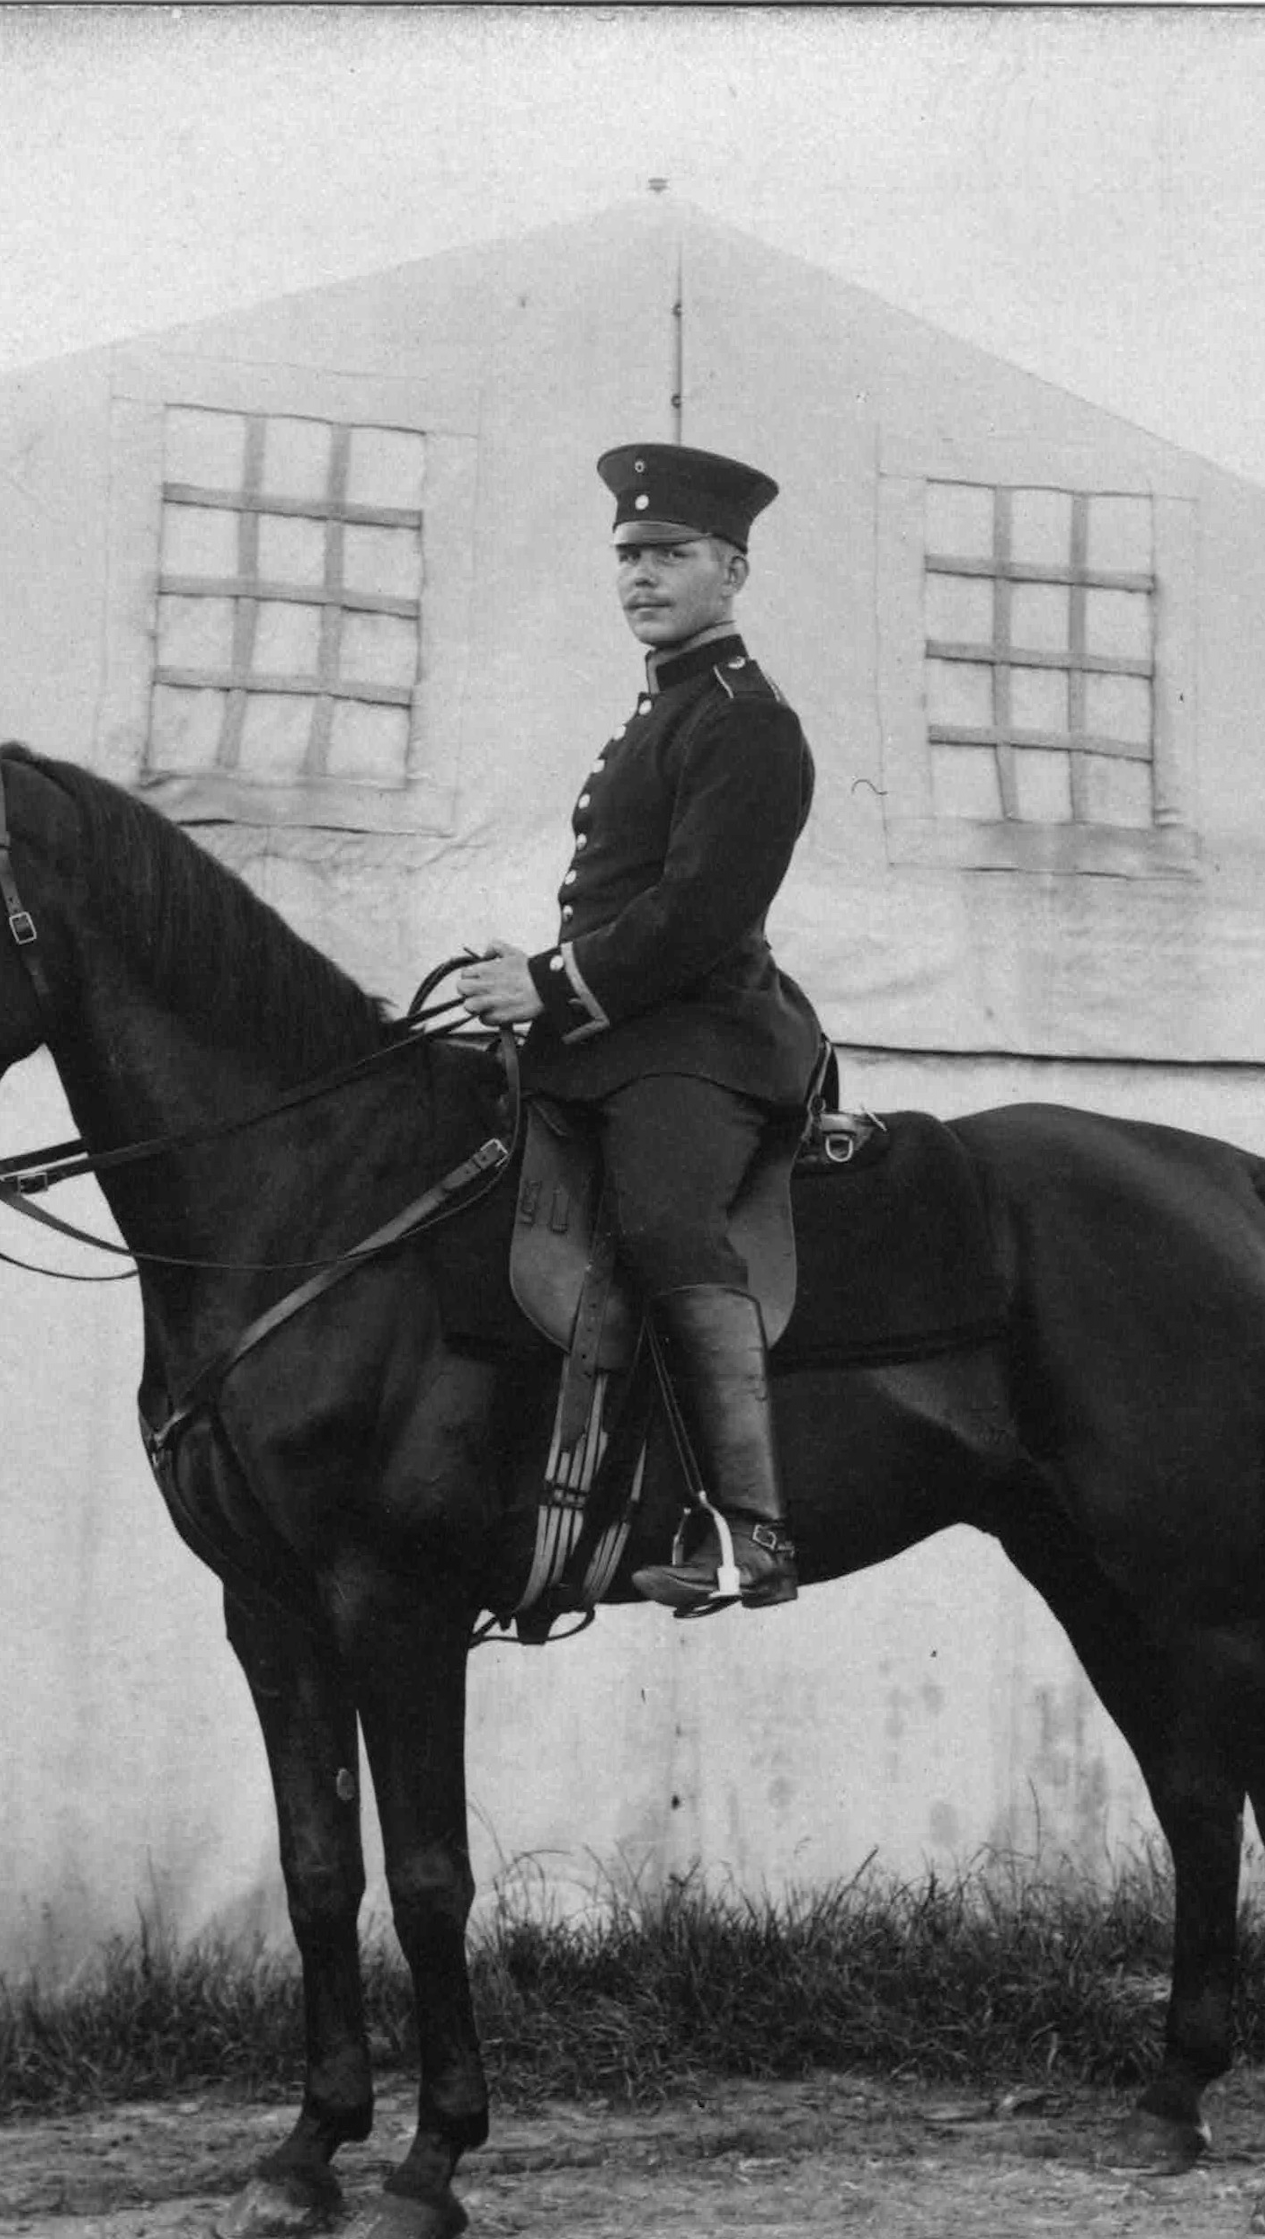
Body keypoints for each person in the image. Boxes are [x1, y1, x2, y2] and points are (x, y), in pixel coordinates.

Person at [458, 442, 821, 1613]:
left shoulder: (748, 723)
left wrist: (550, 984)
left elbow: (699, 914)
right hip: (615, 1030)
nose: (641, 576)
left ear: (733, 570)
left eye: (670, 555)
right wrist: (533, 983)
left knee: (664, 1218)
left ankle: (750, 1535)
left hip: (704, 1040)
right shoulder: (665, 710)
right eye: (627, 556)